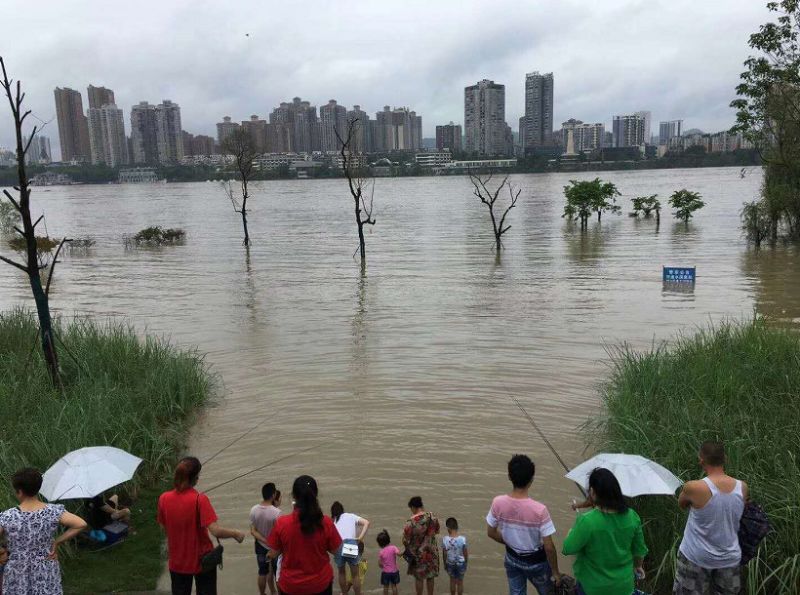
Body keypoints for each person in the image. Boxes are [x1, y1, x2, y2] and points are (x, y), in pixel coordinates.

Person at [157, 457, 245, 595]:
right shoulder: (200, 499)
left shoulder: (163, 498)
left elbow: (164, 528)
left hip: (177, 562)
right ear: (196, 478)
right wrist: (236, 534)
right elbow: (215, 531)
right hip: (203, 562)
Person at [674, 441, 747, 595]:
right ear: (725, 458)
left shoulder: (693, 487)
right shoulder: (742, 487)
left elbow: (681, 504)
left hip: (695, 556)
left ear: (701, 460)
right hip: (729, 558)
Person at [0, 467, 87, 595]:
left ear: (19, 491)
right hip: (45, 564)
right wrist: (56, 542)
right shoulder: (53, 511)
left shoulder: (7, 516)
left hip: (17, 568)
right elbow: (80, 524)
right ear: (38, 488)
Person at [561, 468, 648, 595]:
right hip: (624, 586)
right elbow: (639, 551)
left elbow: (567, 548)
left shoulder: (587, 521)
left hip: (593, 588)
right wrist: (638, 566)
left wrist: (570, 532)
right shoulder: (632, 516)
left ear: (592, 491)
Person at [487, 454, 563, 595]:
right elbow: (549, 547)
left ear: (509, 477)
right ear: (532, 479)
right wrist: (555, 572)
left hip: (512, 558)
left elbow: (490, 532)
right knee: (548, 592)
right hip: (537, 563)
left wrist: (511, 541)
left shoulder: (498, 502)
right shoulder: (540, 510)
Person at [267, 475, 342, 595]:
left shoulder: (282, 523)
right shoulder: (326, 522)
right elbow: (337, 550)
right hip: (320, 585)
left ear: (294, 496)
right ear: (315, 495)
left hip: (291, 586)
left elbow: (274, 553)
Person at [331, 501, 370, 595]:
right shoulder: (350, 516)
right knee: (355, 575)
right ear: (342, 510)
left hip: (339, 544)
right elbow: (367, 523)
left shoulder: (333, 521)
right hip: (350, 544)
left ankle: (344, 594)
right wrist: (360, 538)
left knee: (341, 573)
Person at [403, 496, 440, 595]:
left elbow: (406, 539)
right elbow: (436, 531)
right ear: (421, 505)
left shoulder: (410, 522)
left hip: (418, 554)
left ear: (413, 507)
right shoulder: (432, 517)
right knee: (430, 576)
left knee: (419, 577)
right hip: (432, 553)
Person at [251, 482, 282, 595]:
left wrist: (264, 540)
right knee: (277, 574)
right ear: (273, 495)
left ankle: (263, 593)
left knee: (262, 572)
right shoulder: (277, 513)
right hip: (274, 547)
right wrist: (270, 542)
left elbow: (252, 531)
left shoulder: (254, 509)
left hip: (260, 546)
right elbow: (279, 534)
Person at [442, 517, 468, 595]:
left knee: (452, 581)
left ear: (448, 528)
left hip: (450, 563)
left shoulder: (445, 539)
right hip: (461, 563)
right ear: (457, 527)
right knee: (460, 582)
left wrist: (444, 563)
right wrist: (466, 561)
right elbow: (465, 552)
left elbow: (444, 553)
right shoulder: (462, 539)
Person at [377, 529, 401, 595]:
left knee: (385, 587)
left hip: (386, 572)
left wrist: (383, 566)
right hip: (394, 571)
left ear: (379, 543)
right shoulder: (393, 548)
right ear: (388, 539)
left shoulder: (381, 552)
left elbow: (379, 564)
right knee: (394, 586)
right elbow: (399, 554)